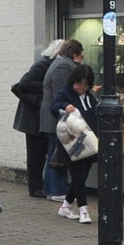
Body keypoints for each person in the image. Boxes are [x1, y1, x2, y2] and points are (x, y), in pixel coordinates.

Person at [12, 40, 63, 199]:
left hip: (38, 115)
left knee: (42, 153)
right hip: (33, 118)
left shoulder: (50, 64)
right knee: (36, 154)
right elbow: (24, 83)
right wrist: (48, 86)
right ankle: (35, 188)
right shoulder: (43, 65)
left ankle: (41, 186)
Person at [40, 39, 83, 204]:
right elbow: (61, 94)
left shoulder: (60, 63)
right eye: (81, 55)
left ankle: (52, 189)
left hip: (56, 117)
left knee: (55, 152)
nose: (82, 58)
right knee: (58, 153)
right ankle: (56, 190)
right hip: (57, 118)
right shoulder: (63, 66)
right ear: (74, 54)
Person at [55, 64, 99, 224]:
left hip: (88, 142)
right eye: (80, 83)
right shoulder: (66, 93)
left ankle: (65, 206)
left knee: (81, 176)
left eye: (86, 84)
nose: (82, 87)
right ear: (73, 81)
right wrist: (65, 107)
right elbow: (55, 105)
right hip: (72, 143)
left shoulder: (89, 96)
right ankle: (84, 211)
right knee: (78, 175)